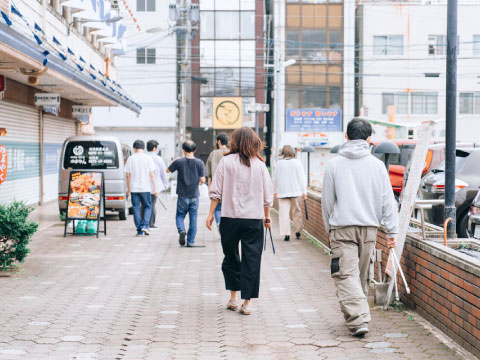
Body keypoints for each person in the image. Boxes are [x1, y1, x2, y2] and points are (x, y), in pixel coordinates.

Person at [321, 119, 399, 337]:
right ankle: (358, 317)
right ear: (368, 139)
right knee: (360, 276)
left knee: (347, 275)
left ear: (346, 137)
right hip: (369, 229)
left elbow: (327, 202)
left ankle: (357, 316)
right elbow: (388, 201)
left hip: (342, 228)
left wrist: (330, 229)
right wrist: (392, 232)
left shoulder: (334, 164)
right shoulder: (377, 166)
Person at [207, 127, 273, 315]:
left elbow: (216, 191)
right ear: (254, 142)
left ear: (234, 141)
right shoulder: (260, 165)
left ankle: (233, 298)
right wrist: (267, 216)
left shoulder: (226, 162)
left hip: (229, 218)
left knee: (231, 258)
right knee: (252, 259)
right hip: (253, 219)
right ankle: (247, 303)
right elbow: (267, 197)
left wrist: (211, 214)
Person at [167, 141, 206, 247]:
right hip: (194, 195)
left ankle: (181, 230)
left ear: (184, 150)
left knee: (179, 216)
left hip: (182, 195)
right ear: (195, 150)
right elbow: (203, 180)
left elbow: (168, 170)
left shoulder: (179, 162)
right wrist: (198, 181)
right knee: (193, 219)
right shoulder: (200, 163)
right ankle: (190, 242)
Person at [274, 145, 307, 241]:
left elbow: (276, 178)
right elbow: (302, 178)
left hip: (283, 192)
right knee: (297, 211)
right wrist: (304, 191)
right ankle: (298, 231)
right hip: (296, 191)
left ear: (283, 153)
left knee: (284, 214)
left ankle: (286, 234)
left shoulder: (279, 163)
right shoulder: (297, 163)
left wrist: (275, 191)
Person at [125, 140, 158, 236]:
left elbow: (128, 175)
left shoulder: (131, 159)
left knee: (136, 208)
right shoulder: (148, 158)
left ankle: (139, 230)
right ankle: (145, 226)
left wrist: (128, 189)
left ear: (134, 148)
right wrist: (155, 189)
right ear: (143, 148)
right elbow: (152, 175)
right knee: (148, 206)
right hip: (145, 188)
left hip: (134, 188)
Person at [143, 140, 169, 229]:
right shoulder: (158, 159)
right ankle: (151, 224)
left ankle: (144, 223)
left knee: (144, 204)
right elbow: (163, 173)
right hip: (155, 186)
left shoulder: (144, 157)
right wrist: (166, 184)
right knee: (152, 204)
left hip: (144, 185)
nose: (157, 149)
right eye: (157, 147)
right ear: (154, 148)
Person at [206, 133, 229, 226]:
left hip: (216, 187)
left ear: (218, 141)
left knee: (217, 208)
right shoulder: (231, 153)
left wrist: (209, 188)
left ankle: (219, 224)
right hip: (228, 186)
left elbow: (209, 174)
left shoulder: (213, 153)